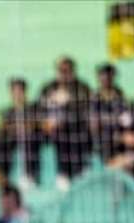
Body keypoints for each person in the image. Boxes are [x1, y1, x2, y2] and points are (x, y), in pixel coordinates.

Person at [38, 56, 93, 190]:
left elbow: (88, 107)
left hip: (76, 126)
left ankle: (78, 169)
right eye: (61, 70)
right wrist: (46, 123)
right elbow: (39, 109)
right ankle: (61, 174)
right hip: (51, 128)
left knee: (71, 131)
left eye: (68, 70)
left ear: (73, 71)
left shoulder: (82, 87)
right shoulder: (48, 87)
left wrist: (69, 102)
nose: (64, 74)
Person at [0, 78, 41, 188]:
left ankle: (30, 176)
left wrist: (20, 127)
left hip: (31, 137)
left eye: (19, 91)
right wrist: (14, 128)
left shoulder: (33, 107)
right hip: (14, 138)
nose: (17, 94)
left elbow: (35, 125)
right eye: (14, 92)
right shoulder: (8, 110)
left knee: (28, 139)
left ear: (25, 92)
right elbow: (3, 127)